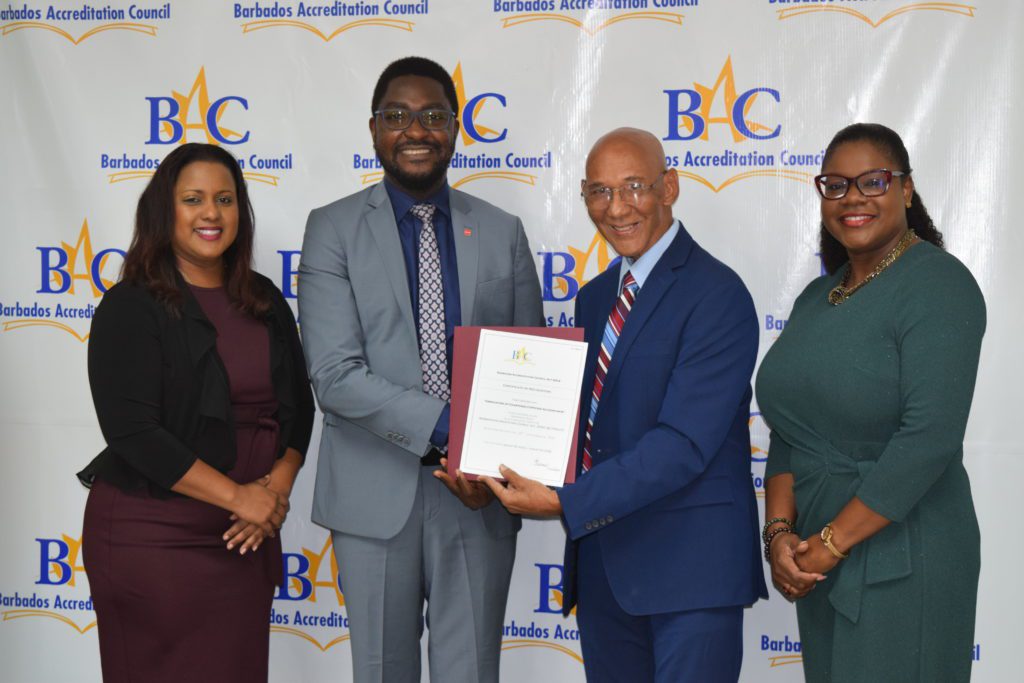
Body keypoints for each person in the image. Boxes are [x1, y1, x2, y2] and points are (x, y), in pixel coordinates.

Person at [483, 128, 767, 682]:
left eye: (634, 186)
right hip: (606, 571)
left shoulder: (717, 294)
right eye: (598, 191)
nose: (616, 208)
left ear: (670, 187)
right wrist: (491, 465)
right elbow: (579, 428)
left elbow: (683, 444)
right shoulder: (593, 298)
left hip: (689, 574)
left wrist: (566, 503)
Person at [297, 56, 544, 683]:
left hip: (477, 497)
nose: (416, 130)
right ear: (374, 129)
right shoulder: (332, 229)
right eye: (397, 116)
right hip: (373, 493)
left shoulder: (502, 231)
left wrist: (488, 458)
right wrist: (454, 430)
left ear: (456, 128)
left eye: (433, 116)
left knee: (471, 673)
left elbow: (530, 372)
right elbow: (334, 375)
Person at [756, 123, 986, 682]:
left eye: (873, 181)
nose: (852, 197)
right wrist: (780, 536)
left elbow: (929, 439)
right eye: (835, 185)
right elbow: (790, 431)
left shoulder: (938, 284)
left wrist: (832, 543)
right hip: (817, 554)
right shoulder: (819, 295)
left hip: (905, 549)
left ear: (906, 190)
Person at [79, 142, 315, 682]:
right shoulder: (131, 306)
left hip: (245, 536)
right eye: (193, 199)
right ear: (165, 210)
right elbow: (133, 431)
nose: (211, 213)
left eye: (225, 199)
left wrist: (274, 494)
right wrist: (242, 499)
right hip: (154, 540)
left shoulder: (264, 299)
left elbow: (298, 407)